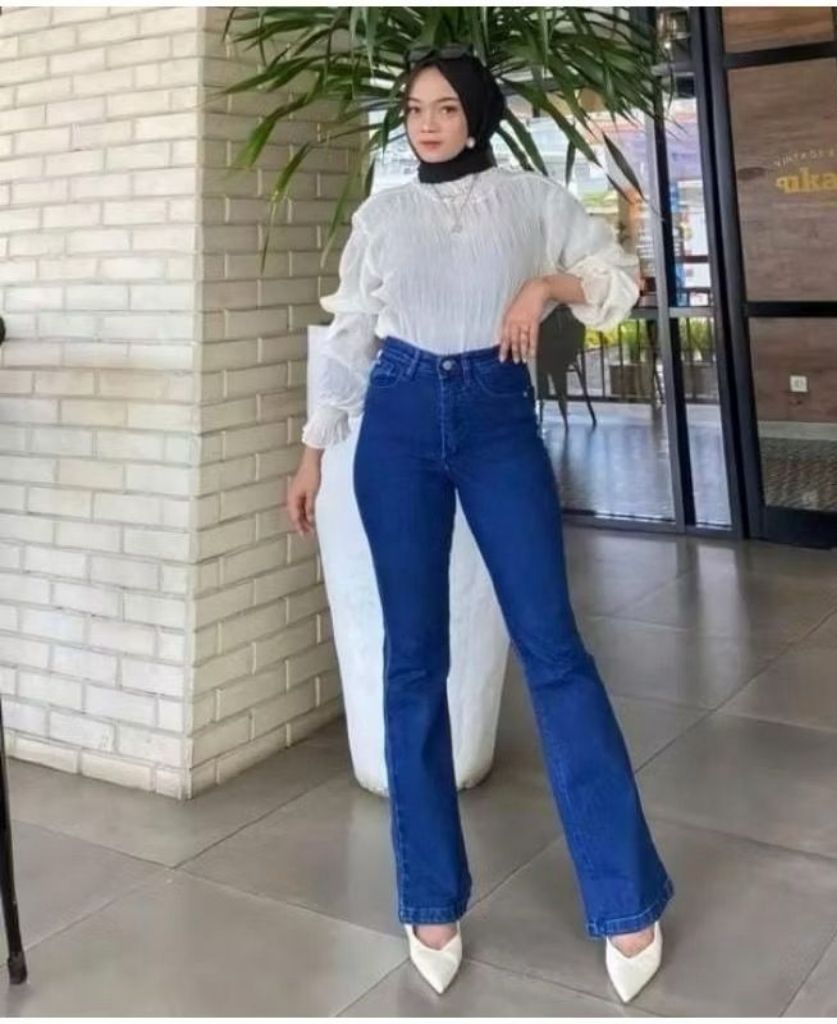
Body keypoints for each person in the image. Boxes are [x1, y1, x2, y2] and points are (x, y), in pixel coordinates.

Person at [285, 45, 674, 1003]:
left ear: (477, 115)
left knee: (554, 647)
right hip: (398, 420)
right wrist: (313, 451)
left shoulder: (532, 200)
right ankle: (430, 898)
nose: (428, 124)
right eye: (416, 109)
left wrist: (545, 289)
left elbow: (622, 274)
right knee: (413, 659)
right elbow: (350, 337)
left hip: (498, 415)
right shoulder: (382, 215)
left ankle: (626, 896)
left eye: (447, 108)